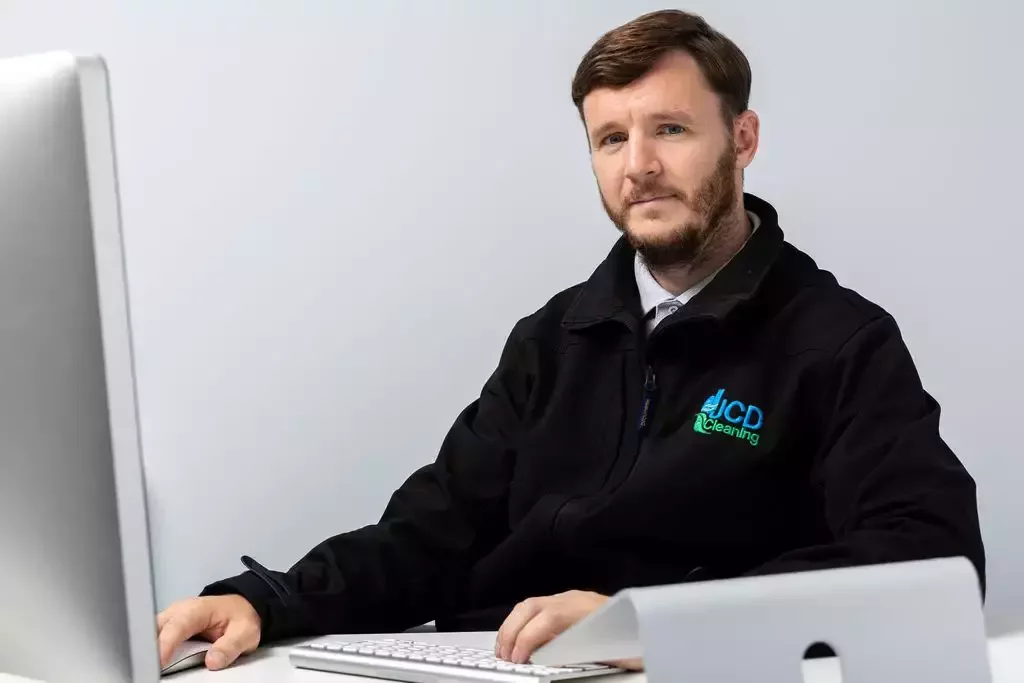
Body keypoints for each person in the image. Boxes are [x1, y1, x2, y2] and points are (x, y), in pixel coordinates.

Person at [157, 8, 986, 673]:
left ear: (743, 139)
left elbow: (929, 559)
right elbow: (430, 532)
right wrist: (269, 601)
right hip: (493, 664)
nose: (639, 167)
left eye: (670, 129)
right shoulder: (555, 338)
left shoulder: (838, 341)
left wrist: (653, 626)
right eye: (611, 139)